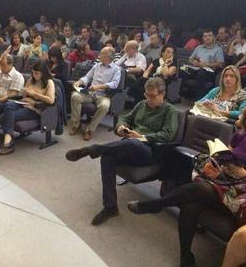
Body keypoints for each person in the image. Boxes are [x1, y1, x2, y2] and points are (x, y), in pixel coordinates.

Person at [128, 102, 246, 267]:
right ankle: (186, 257)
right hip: (225, 184)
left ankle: (157, 204)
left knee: (200, 188)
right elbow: (226, 157)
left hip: (244, 197)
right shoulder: (240, 136)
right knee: (190, 205)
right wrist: (216, 164)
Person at [66, 77, 178, 225]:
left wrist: (142, 137)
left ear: (163, 94)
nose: (149, 99)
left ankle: (93, 149)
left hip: (150, 150)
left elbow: (167, 134)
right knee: (107, 157)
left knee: (133, 143)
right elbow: (125, 119)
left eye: (153, 96)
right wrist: (121, 128)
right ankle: (110, 207)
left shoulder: (169, 110)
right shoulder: (141, 104)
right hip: (129, 145)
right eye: (147, 95)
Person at [0, 59, 55, 154]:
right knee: (9, 104)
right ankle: (8, 139)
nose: (34, 75)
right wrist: (25, 92)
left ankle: (8, 141)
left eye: (36, 73)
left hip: (35, 109)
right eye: (33, 73)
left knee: (6, 116)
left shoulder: (49, 82)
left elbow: (51, 100)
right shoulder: (31, 79)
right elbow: (24, 95)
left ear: (43, 73)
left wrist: (35, 95)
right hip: (25, 103)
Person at [68, 47, 121, 141]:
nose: (99, 55)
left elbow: (115, 84)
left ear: (108, 57)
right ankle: (76, 124)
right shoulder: (96, 65)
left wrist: (99, 86)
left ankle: (90, 130)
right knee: (75, 96)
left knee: (105, 106)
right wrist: (80, 82)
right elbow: (87, 77)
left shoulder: (116, 69)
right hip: (90, 93)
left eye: (102, 54)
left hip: (103, 95)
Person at [183, 28, 224, 98]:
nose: (207, 38)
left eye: (209, 36)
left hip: (210, 71)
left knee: (201, 73)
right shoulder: (199, 47)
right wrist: (194, 62)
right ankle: (181, 95)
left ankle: (200, 99)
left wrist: (207, 64)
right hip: (196, 68)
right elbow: (190, 59)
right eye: (205, 36)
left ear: (214, 37)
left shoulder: (218, 49)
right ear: (202, 38)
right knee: (183, 69)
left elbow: (220, 64)